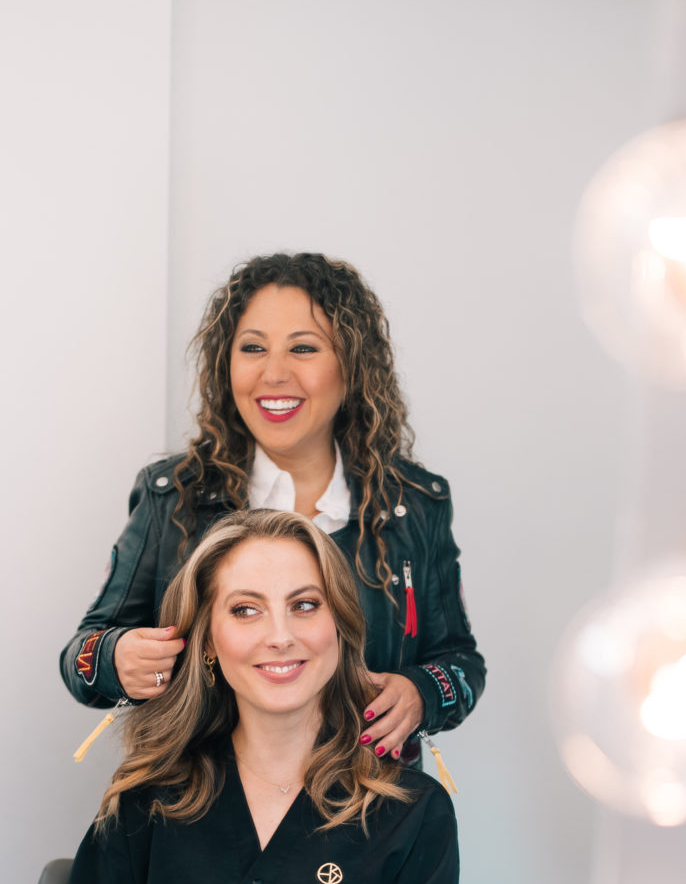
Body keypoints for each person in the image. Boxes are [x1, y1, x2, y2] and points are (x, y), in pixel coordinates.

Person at [0, 511, 459, 884]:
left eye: (304, 605)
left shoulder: (412, 816)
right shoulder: (144, 801)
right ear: (207, 640)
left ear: (340, 626)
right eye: (245, 610)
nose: (280, 636)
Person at [61, 251, 484, 766]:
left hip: (369, 813)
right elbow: (83, 655)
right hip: (201, 806)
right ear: (227, 365)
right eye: (253, 348)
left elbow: (461, 662)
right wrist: (116, 658)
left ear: (351, 368)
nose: (274, 373)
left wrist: (423, 693)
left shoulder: (413, 505)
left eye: (303, 348)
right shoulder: (173, 495)